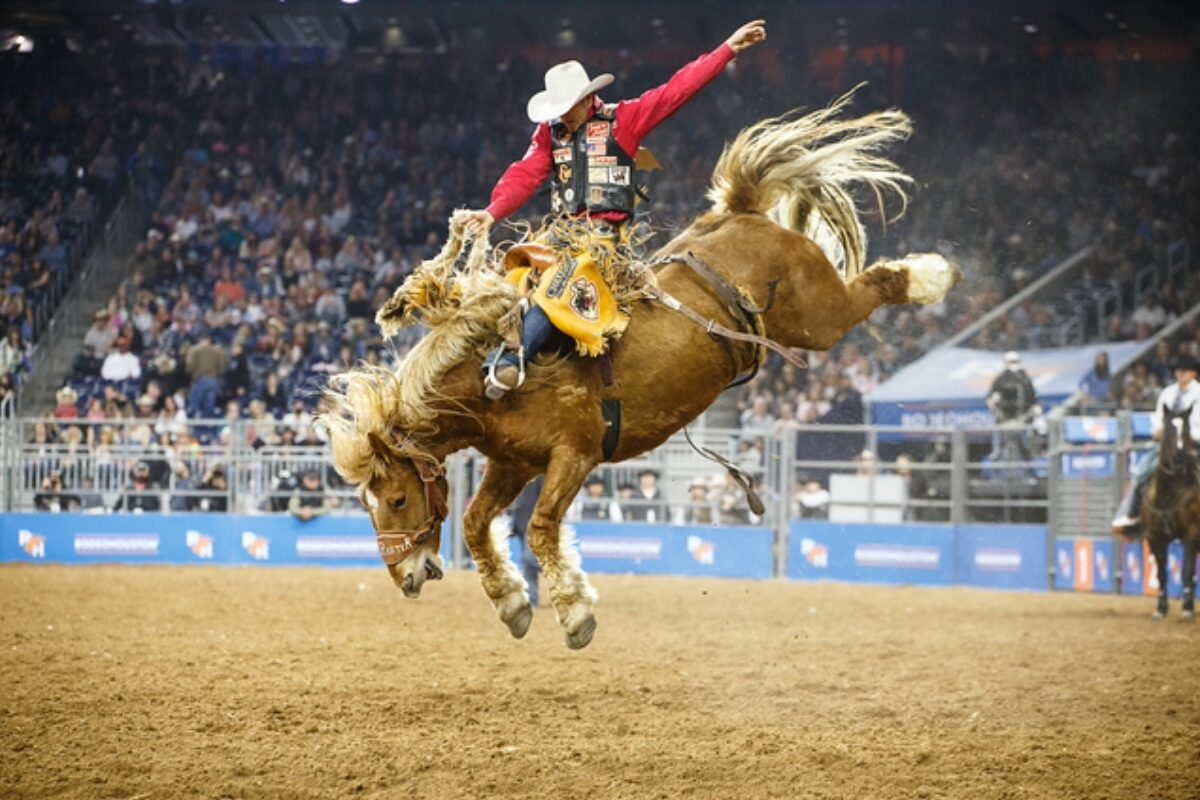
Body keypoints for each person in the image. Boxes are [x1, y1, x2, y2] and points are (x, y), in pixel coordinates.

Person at [463, 19, 768, 399]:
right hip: (558, 236)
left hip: (602, 243)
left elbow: (677, 90)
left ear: (587, 100)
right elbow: (524, 174)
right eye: (557, 111)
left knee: (566, 281)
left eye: (566, 109)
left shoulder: (623, 120)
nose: (562, 118)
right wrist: (492, 212)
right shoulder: (549, 134)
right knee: (507, 277)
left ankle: (511, 359)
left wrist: (727, 49)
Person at [1112, 354, 1200, 532]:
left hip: (1193, 445)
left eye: (1184, 371)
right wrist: (1159, 430)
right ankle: (1131, 514)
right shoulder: (1167, 393)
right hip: (1168, 445)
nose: (1180, 374)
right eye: (1177, 371)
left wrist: (1188, 435)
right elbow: (1158, 419)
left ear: (1193, 373)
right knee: (1141, 472)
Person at [986, 351, 1041, 462]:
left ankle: (1031, 473)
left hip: (1023, 419)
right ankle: (996, 464)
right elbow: (990, 397)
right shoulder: (1001, 379)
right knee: (999, 447)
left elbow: (1033, 396)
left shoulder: (1025, 379)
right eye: (1011, 362)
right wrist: (994, 404)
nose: (1014, 364)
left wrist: (1035, 408)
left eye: (1016, 361)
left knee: (1025, 447)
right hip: (1005, 419)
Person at [508, 476, 543, 607]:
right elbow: (518, 504)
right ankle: (532, 600)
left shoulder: (541, 476)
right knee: (528, 566)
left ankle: (558, 572)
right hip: (522, 524)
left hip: (536, 524)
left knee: (528, 559)